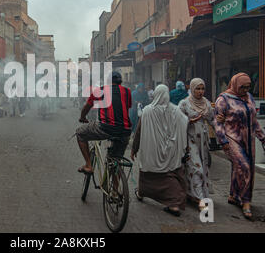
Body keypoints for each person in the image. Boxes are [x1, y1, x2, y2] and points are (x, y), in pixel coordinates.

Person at [214, 72, 265, 220]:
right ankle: (245, 201)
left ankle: (233, 195)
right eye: (242, 87)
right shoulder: (223, 99)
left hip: (248, 139)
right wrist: (223, 141)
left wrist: (262, 137)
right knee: (244, 166)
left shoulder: (249, 97)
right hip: (232, 138)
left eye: (248, 87)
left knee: (243, 168)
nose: (245, 90)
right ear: (235, 85)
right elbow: (217, 122)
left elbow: (254, 120)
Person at [131, 85, 191, 217]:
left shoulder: (147, 111)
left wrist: (134, 149)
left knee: (147, 173)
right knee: (171, 174)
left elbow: (139, 132)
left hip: (151, 151)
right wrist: (185, 147)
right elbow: (185, 124)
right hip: (171, 151)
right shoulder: (176, 111)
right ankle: (172, 202)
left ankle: (145, 194)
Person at [76, 72, 132, 174]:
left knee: (80, 133)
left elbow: (86, 107)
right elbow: (126, 107)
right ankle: (116, 189)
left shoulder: (100, 91)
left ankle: (88, 165)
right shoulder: (127, 92)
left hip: (106, 128)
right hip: (125, 131)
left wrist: (82, 117)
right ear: (121, 81)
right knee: (116, 161)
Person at [178, 78, 215, 211]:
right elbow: (178, 121)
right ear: (192, 89)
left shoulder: (207, 104)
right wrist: (191, 121)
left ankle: (193, 194)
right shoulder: (184, 104)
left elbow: (213, 121)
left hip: (203, 141)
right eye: (197, 89)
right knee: (196, 168)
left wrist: (224, 134)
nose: (200, 91)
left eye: (202, 89)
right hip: (190, 140)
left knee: (203, 168)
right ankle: (200, 199)